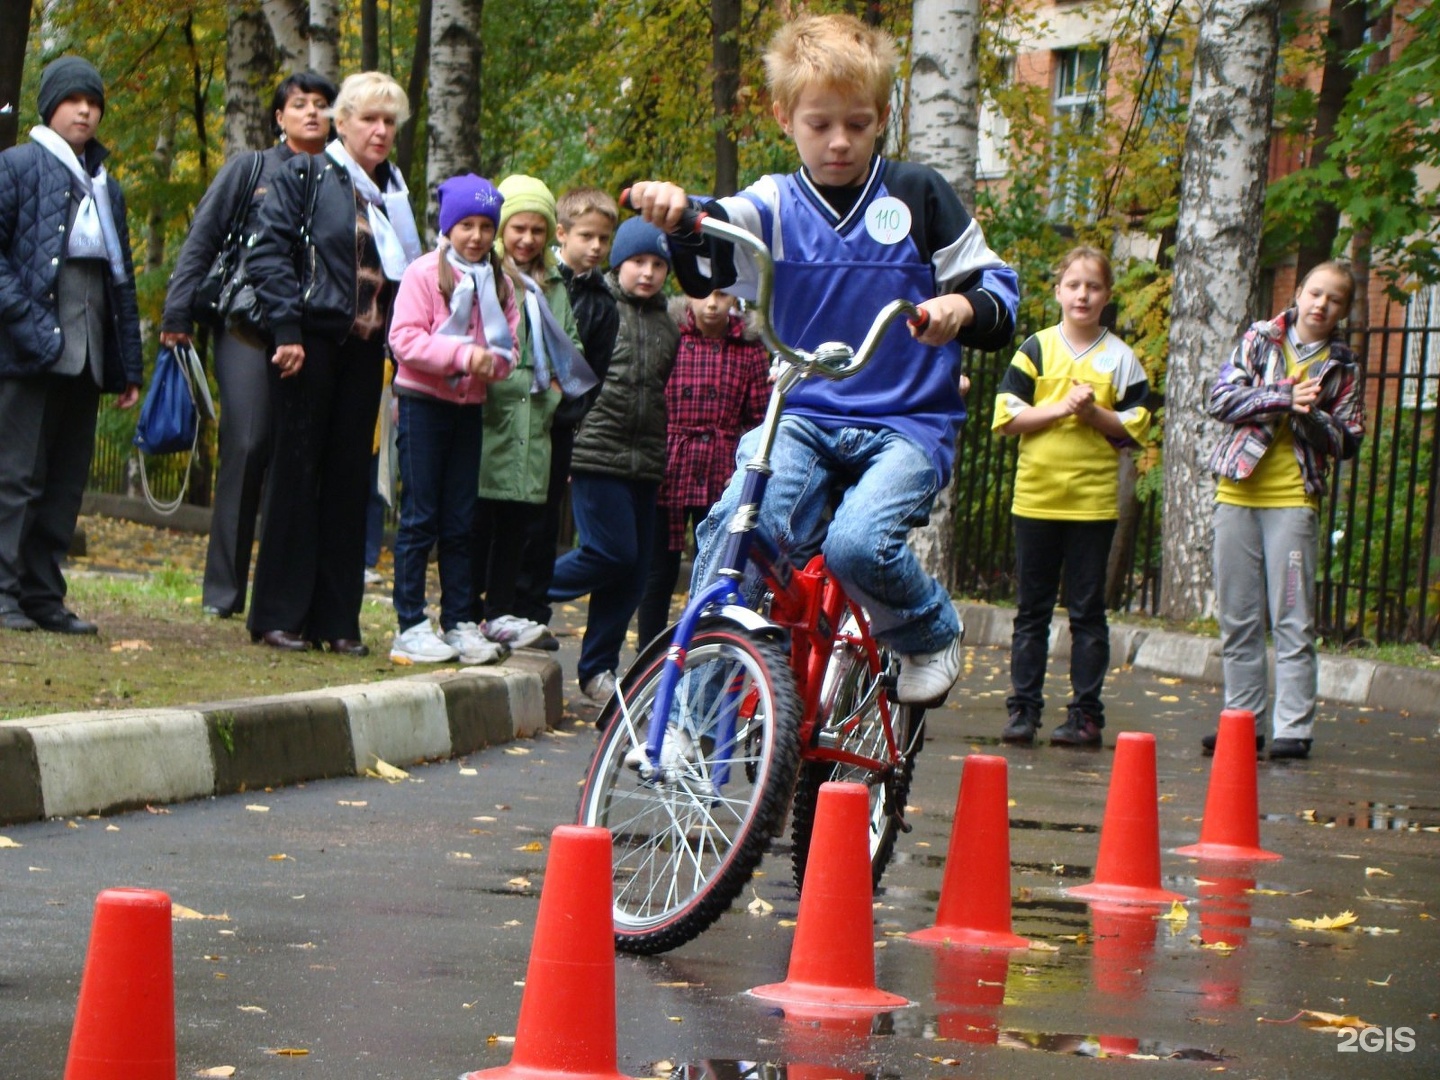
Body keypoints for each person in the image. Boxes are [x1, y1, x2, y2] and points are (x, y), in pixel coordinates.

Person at [625, 12, 1019, 707]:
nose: (839, 141)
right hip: (803, 414)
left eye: (859, 125)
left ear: (883, 118)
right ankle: (691, 718)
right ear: (785, 118)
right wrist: (679, 215)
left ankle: (927, 629)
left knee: (857, 545)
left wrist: (960, 308)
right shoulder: (774, 203)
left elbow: (997, 294)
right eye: (819, 124)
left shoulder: (918, 195)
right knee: (734, 531)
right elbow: (713, 249)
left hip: (907, 424)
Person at [245, 71, 422, 656]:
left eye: (389, 121)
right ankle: (278, 614)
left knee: (351, 481)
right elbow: (268, 252)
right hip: (310, 341)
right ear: (341, 122)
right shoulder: (308, 173)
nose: (380, 130)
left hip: (368, 350)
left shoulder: (393, 193)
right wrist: (286, 329)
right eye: (368, 118)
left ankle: (336, 619)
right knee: (297, 474)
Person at [160, 72, 337, 620]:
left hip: (316, 336)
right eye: (299, 104)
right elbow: (204, 237)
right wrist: (176, 311)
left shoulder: (342, 179)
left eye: (322, 105)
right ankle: (223, 591)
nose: (312, 113)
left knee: (302, 461)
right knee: (250, 442)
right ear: (279, 118)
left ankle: (285, 598)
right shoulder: (251, 168)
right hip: (245, 326)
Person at [0, 56, 142, 635]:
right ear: (49, 105)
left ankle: (42, 595)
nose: (86, 110)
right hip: (26, 350)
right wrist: (29, 324)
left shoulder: (107, 185)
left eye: (94, 101)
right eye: (73, 99)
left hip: (88, 354)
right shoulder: (15, 166)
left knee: (63, 483)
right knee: (15, 478)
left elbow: (122, 279)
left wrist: (128, 363)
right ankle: (2, 592)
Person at [992, 247, 1152, 748]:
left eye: (1094, 287)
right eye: (1074, 285)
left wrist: (1095, 415)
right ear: (1058, 291)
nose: (1083, 294)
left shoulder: (1121, 358)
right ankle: (1023, 712)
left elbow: (1132, 431)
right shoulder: (1035, 350)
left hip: (1093, 505)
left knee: (1087, 613)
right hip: (1035, 500)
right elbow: (1007, 418)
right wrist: (1062, 407)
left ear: (1107, 296)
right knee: (1031, 610)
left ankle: (1085, 716)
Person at [1204, 261, 1364, 761]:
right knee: (1239, 617)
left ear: (1343, 310)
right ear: (1298, 293)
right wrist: (1282, 396)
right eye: (1315, 293)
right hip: (1238, 492)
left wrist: (1310, 413)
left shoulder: (1343, 367)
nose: (1321, 304)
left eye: (1333, 299)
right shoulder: (1259, 339)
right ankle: (1242, 723)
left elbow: (1347, 439)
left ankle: (1293, 728)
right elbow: (1220, 398)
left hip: (1294, 498)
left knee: (1293, 618)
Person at [548, 217, 679, 706]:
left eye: (658, 264)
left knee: (633, 570)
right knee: (612, 552)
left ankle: (598, 670)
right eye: (637, 262)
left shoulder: (668, 323)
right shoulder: (598, 305)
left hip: (644, 459)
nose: (646, 273)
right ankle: (524, 592)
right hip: (596, 450)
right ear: (618, 263)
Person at [387, 173, 515, 665]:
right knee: (422, 517)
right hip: (422, 405)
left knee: (462, 520)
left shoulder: (499, 283)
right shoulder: (424, 274)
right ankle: (410, 623)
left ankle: (460, 619)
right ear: (448, 226)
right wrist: (464, 356)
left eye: (486, 226)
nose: (477, 236)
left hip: (468, 410)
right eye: (467, 224)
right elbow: (405, 340)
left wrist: (493, 363)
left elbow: (510, 348)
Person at [472, 175, 581, 652]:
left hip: (535, 418)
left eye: (538, 230)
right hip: (492, 412)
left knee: (520, 523)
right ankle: (468, 610)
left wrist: (555, 389)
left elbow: (570, 344)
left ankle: (503, 611)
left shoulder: (554, 284)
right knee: (479, 519)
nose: (527, 239)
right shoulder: (487, 275)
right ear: (502, 229)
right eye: (518, 228)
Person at [511, 187, 620, 642]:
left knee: (544, 522)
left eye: (604, 239)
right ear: (563, 234)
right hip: (515, 415)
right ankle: (497, 605)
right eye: (587, 236)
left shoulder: (603, 302)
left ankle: (534, 612)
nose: (596, 247)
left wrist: (571, 413)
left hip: (558, 424)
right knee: (507, 517)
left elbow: (591, 372)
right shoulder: (534, 279)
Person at [634, 290, 770, 647]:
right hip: (669, 463)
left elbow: (760, 418)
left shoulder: (749, 347)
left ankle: (702, 652)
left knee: (712, 566)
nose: (712, 304)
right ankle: (649, 655)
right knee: (657, 571)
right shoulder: (671, 333)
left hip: (722, 470)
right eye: (702, 294)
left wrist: (743, 463)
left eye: (723, 295)